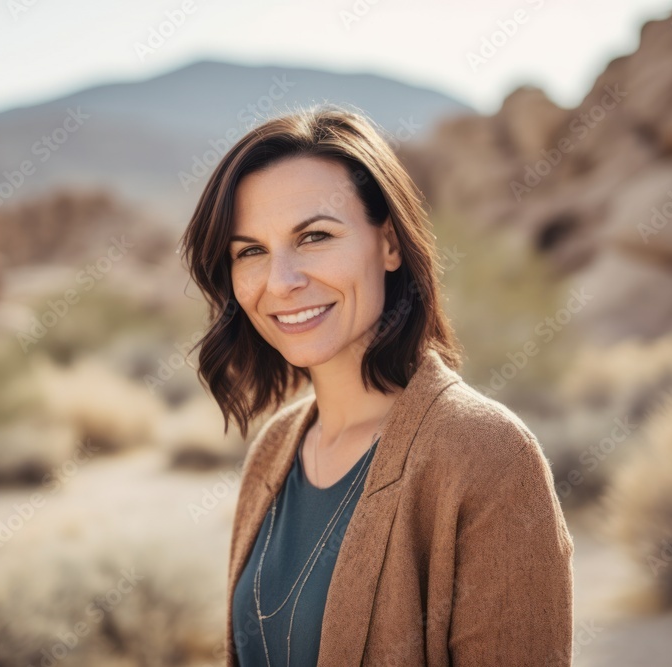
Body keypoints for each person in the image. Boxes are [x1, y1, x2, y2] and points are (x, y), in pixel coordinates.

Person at [178, 104, 574, 666]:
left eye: (314, 236)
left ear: (389, 243)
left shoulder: (486, 454)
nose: (282, 281)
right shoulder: (273, 449)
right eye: (251, 251)